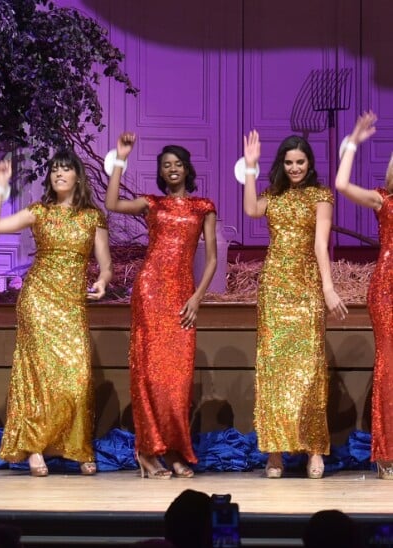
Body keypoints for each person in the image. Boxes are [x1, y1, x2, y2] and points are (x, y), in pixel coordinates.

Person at [0, 149, 112, 476]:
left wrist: (101, 280)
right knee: (39, 376)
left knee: (76, 376)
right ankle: (35, 448)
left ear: (77, 177)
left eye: (65, 169)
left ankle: (77, 446)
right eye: (54, 169)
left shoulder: (92, 217)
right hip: (38, 298)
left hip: (71, 304)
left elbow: (106, 265)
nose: (58, 174)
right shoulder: (39, 211)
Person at [105, 133, 217, 479]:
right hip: (150, 291)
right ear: (161, 171)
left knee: (178, 380)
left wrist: (197, 297)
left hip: (183, 296)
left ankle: (176, 450)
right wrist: (121, 158)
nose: (172, 169)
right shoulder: (151, 203)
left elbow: (211, 258)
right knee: (149, 375)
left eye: (177, 164)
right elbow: (111, 204)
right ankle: (148, 452)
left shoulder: (203, 207)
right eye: (166, 165)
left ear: (187, 170)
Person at [242, 131, 348, 479]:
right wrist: (251, 167)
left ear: (309, 163)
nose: (294, 168)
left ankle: (314, 449)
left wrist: (329, 288)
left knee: (309, 370)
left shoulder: (321, 196)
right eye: (288, 162)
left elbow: (321, 245)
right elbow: (249, 210)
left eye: (300, 162)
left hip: (305, 288)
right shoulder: (272, 194)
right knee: (273, 368)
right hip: (274, 287)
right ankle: (274, 453)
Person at [335, 111, 393, 480]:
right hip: (389, 289)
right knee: (390, 368)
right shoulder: (384, 200)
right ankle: (387, 452)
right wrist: (353, 143)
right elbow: (341, 185)